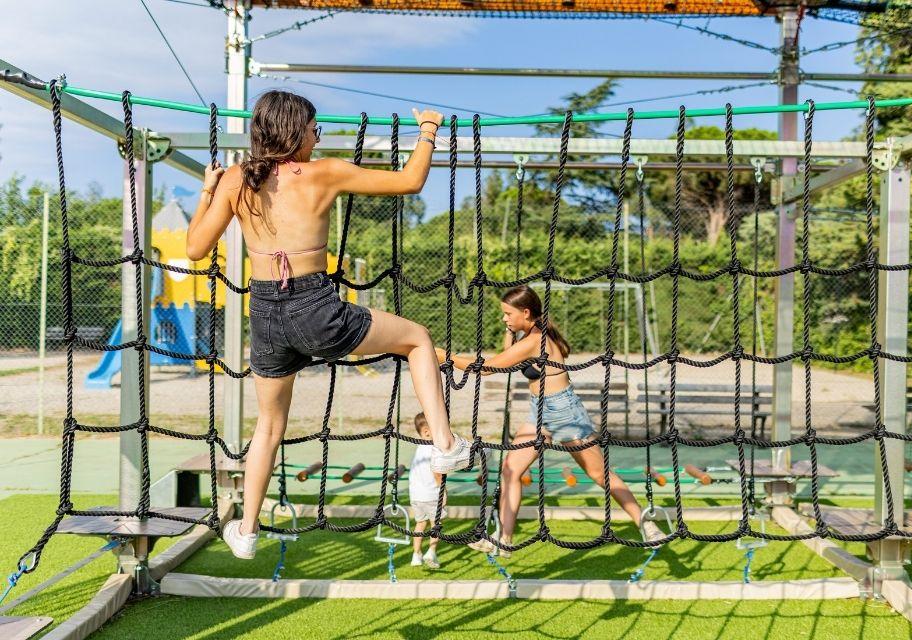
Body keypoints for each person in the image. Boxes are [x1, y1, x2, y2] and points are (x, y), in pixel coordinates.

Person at [185, 90, 471, 560]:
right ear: (293, 130)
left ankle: (248, 530)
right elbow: (410, 181)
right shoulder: (325, 172)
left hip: (265, 315)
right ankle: (445, 444)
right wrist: (428, 131)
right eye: (314, 127)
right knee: (417, 338)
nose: (319, 135)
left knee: (268, 426)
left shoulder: (237, 179)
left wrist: (206, 191)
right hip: (314, 308)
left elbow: (196, 249)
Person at [438, 285, 663, 556]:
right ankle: (504, 540)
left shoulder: (536, 340)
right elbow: (509, 358)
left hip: (565, 413)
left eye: (508, 314)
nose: (504, 319)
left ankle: (646, 525)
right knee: (511, 469)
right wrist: (510, 330)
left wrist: (443, 356)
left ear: (526, 312)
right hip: (539, 411)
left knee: (599, 474)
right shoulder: (530, 335)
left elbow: (488, 368)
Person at [409, 412, 445, 569]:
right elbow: (437, 473)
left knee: (420, 524)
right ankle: (431, 551)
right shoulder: (434, 449)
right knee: (436, 524)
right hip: (431, 494)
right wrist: (444, 492)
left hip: (416, 495)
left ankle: (416, 555)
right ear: (426, 432)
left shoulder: (420, 448)